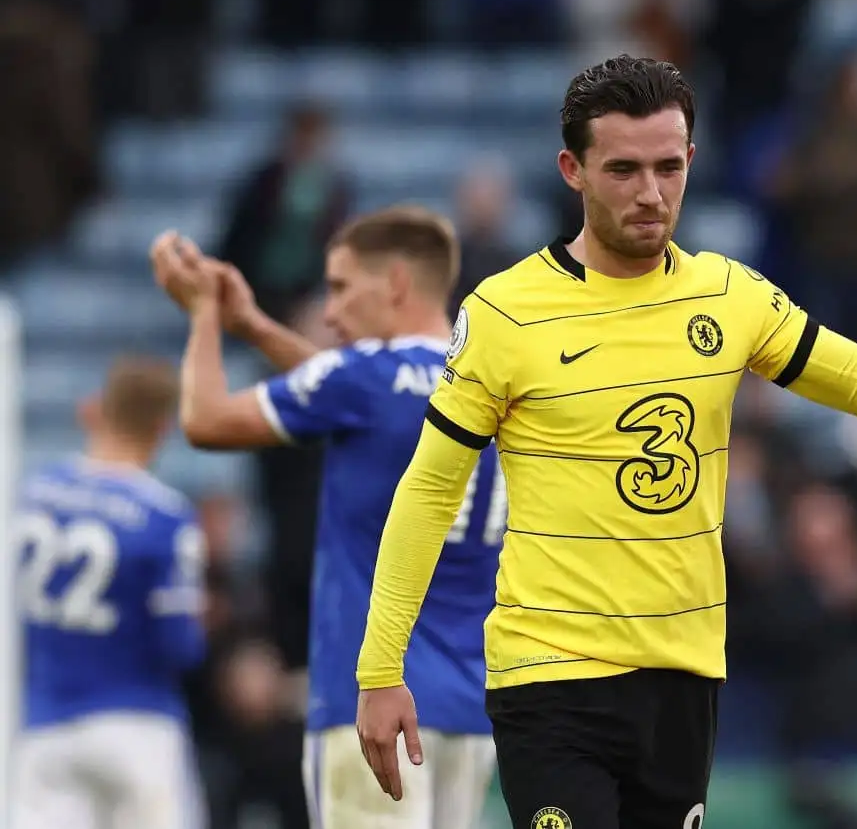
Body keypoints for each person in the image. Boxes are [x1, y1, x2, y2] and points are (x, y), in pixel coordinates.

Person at [352, 53, 857, 829]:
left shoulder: (731, 297)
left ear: (692, 158)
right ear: (573, 169)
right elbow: (430, 489)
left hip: (684, 675)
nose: (651, 193)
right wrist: (380, 668)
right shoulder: (505, 312)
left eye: (668, 166)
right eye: (623, 170)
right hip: (551, 676)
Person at [149, 207, 503, 829]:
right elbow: (342, 389)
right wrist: (255, 325)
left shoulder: (360, 380)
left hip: (371, 702)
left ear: (395, 283)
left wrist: (204, 313)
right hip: (468, 710)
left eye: (341, 287)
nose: (332, 313)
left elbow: (206, 420)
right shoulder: (493, 388)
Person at [11, 357, 208, 829]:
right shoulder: (166, 516)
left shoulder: (31, 494)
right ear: (163, 428)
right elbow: (180, 646)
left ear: (94, 410)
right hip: (137, 727)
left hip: (44, 724)